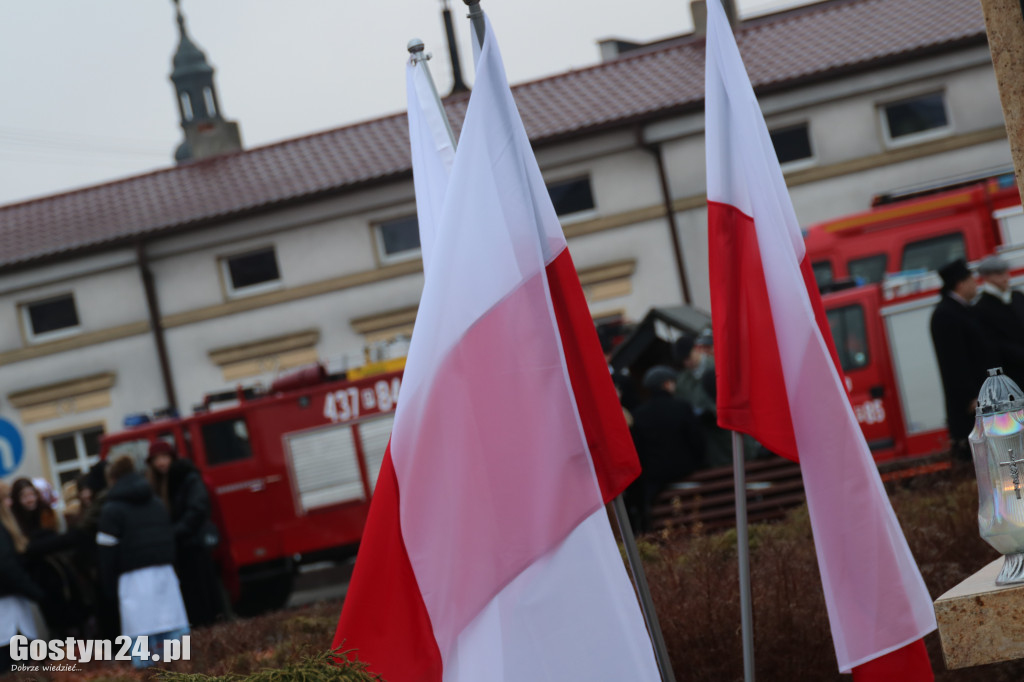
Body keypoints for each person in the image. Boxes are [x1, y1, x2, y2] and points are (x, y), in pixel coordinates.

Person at [97, 455, 189, 669]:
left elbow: (106, 553)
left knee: (142, 642)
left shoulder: (111, 510)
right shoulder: (156, 502)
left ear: (112, 478)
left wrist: (108, 587)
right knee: (175, 642)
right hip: (164, 575)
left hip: (132, 580)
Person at [146, 441, 224, 627]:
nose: (161, 462)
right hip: (178, 548)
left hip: (193, 545)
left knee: (202, 597)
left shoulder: (188, 478)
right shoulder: (155, 484)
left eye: (164, 457)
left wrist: (174, 532)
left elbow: (197, 510)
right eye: (157, 459)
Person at [930, 258, 997, 460]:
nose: (976, 283)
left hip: (986, 396)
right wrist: (971, 396)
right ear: (960, 283)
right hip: (971, 406)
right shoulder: (945, 315)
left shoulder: (963, 310)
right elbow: (953, 363)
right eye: (971, 279)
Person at [9, 478, 90, 637]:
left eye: (31, 494)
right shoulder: (15, 521)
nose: (30, 499)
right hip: (39, 579)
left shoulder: (47, 513)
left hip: (60, 574)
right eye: (24, 496)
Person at [629, 365, 705, 532]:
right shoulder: (682, 407)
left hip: (656, 479)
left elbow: (639, 450)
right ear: (666, 384)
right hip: (687, 472)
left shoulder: (640, 415)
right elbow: (697, 442)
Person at [0, 486, 45, 674]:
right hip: (8, 612)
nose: (11, 503)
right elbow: (7, 567)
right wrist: (36, 592)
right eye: (7, 498)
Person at [972, 254, 1024, 387]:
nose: (1006, 277)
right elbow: (994, 344)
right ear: (987, 277)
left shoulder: (1017, 297)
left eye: (1005, 272)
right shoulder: (981, 308)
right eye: (999, 274)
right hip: (1010, 377)